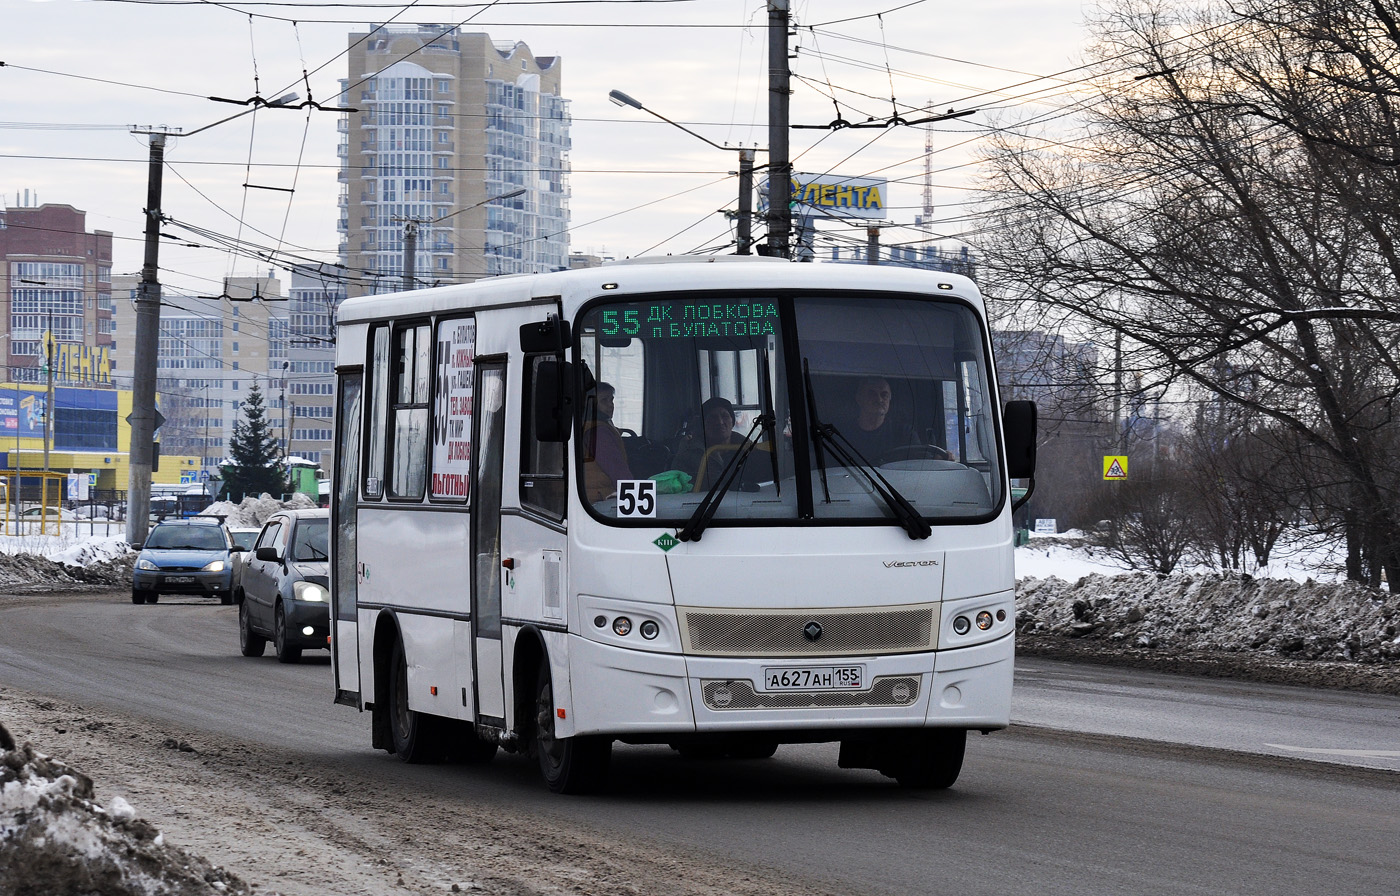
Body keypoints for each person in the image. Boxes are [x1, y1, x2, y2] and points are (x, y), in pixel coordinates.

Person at [673, 396, 753, 489]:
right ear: (703, 423)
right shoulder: (688, 452)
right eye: (713, 417)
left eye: (725, 416)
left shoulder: (749, 449)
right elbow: (679, 488)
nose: (720, 422)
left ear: (732, 421)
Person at [582, 382, 632, 501]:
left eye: (611, 400)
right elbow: (616, 468)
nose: (611, 405)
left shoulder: (593, 426)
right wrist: (631, 493)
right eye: (604, 401)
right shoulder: (598, 431)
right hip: (600, 498)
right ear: (591, 404)